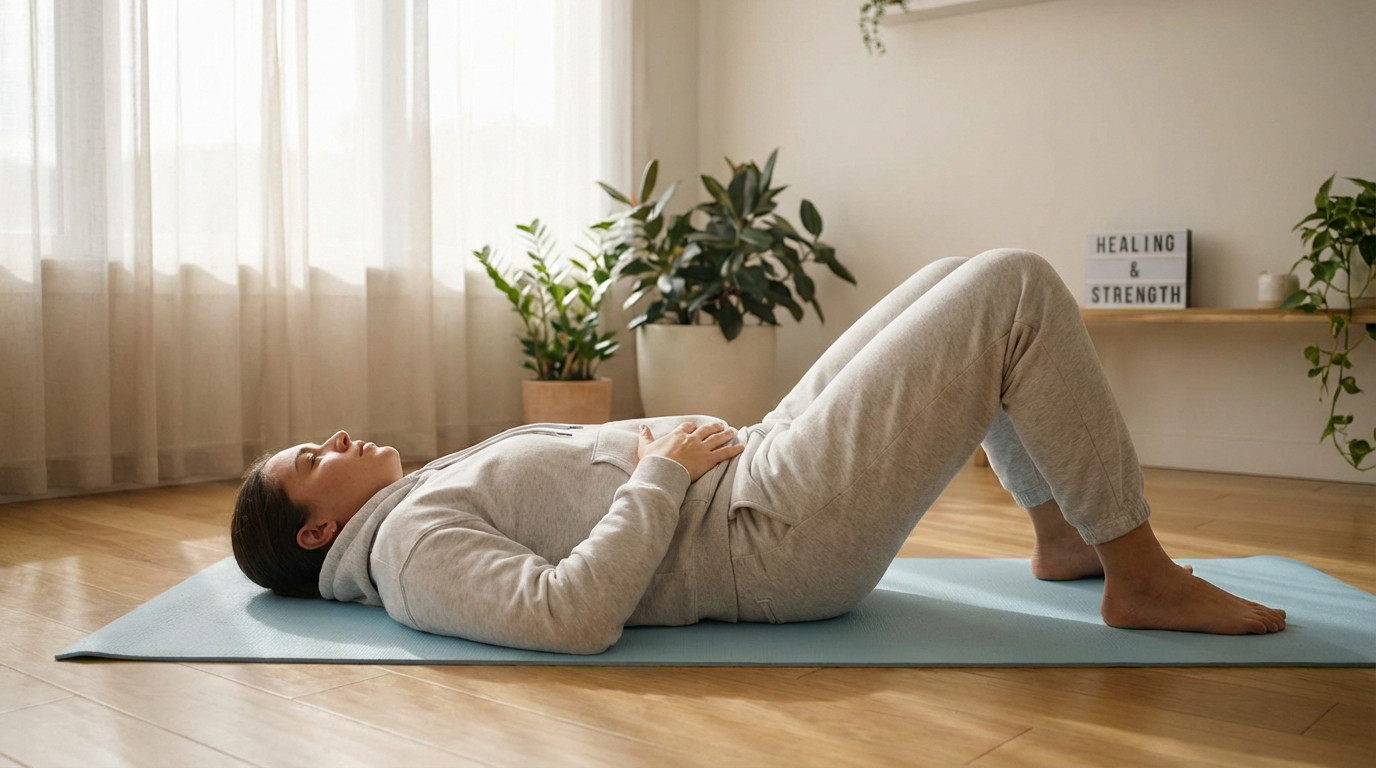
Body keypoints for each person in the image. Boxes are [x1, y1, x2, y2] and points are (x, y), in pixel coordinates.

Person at [231, 249, 1286, 654]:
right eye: (310, 459)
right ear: (319, 528)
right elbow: (565, 615)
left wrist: (653, 447)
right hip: (768, 534)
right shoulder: (407, 548)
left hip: (751, 472)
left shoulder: (409, 500)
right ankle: (1137, 576)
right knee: (1010, 290)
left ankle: (1065, 538)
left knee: (952, 278)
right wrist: (661, 469)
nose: (333, 438)